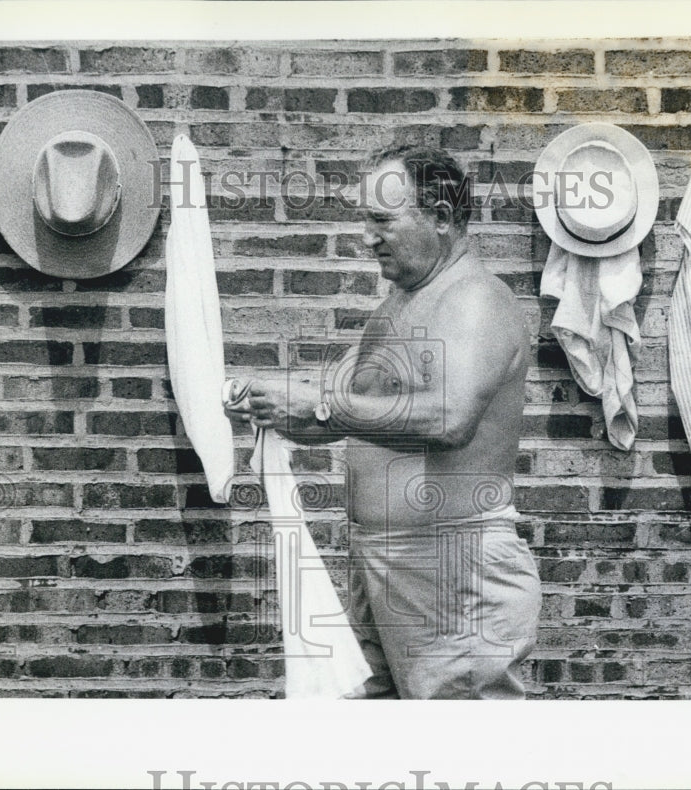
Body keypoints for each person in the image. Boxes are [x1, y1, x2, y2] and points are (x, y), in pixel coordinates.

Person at [225, 146, 542, 699]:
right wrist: (267, 401)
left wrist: (319, 407)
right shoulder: (398, 305)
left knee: (463, 762)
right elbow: (343, 406)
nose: (367, 237)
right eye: (364, 220)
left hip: (453, 571)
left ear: (441, 218)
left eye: (381, 221)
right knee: (369, 750)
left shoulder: (475, 301)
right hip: (383, 566)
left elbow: (448, 420)